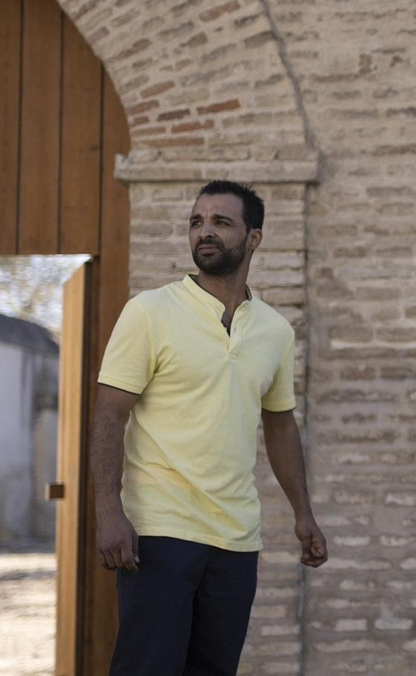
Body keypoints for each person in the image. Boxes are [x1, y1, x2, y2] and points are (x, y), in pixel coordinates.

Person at [91, 179, 328, 676]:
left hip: (236, 538)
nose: (205, 232)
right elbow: (110, 413)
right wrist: (109, 511)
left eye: (221, 222)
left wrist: (302, 511)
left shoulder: (274, 331)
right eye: (197, 222)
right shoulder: (150, 312)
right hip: (159, 531)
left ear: (254, 238)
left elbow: (280, 424)